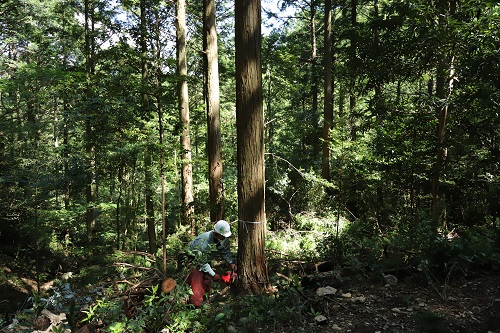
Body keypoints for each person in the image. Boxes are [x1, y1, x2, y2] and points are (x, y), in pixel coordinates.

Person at [183, 220, 237, 307]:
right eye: (222, 236)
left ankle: (205, 301)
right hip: (193, 259)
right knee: (196, 281)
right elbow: (202, 262)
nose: (224, 238)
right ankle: (195, 305)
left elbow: (225, 250)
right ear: (216, 234)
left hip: (206, 259)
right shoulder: (203, 241)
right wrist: (214, 274)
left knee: (207, 280)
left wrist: (231, 262)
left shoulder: (223, 238)